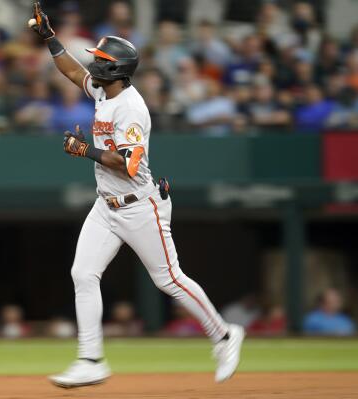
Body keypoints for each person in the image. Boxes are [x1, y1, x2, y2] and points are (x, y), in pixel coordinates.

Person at [29, 2, 244, 388]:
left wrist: (85, 150)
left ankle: (225, 335)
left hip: (139, 206)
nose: (92, 62)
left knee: (170, 280)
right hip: (106, 204)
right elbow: (71, 70)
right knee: (83, 273)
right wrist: (49, 36)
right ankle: (91, 359)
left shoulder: (131, 107)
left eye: (100, 59)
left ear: (115, 69)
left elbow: (128, 165)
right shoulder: (102, 89)